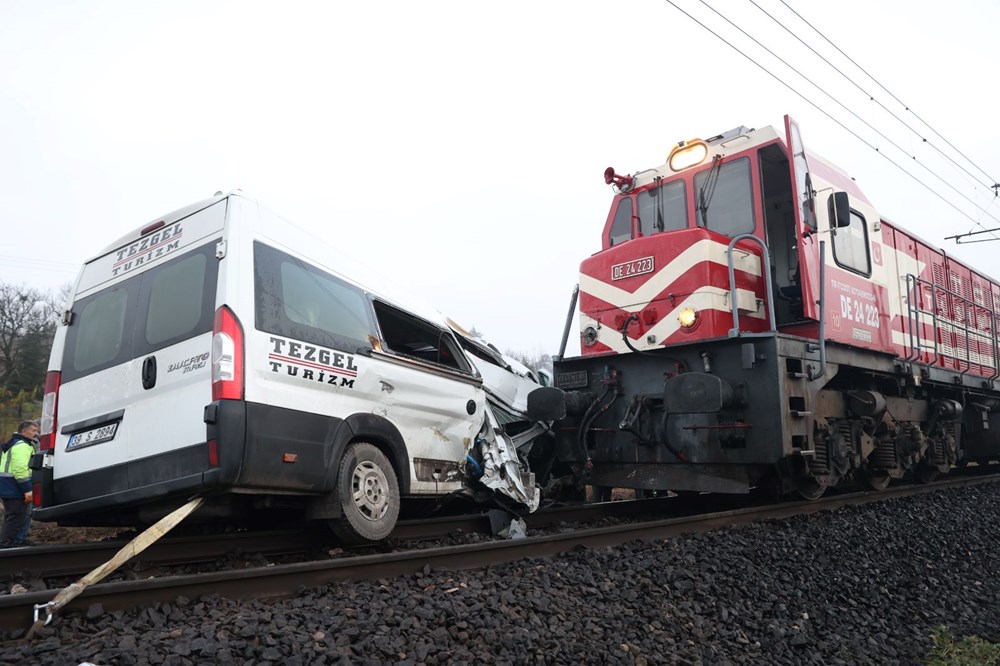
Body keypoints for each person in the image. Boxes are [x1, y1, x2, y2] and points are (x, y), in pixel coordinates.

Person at [1, 420, 39, 548]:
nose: (36, 433)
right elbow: (20, 470)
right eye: (33, 430)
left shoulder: (18, 444)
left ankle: (18, 540)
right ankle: (6, 544)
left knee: (22, 515)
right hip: (14, 488)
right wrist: (27, 489)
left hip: (10, 487)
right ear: (24, 431)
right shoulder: (21, 446)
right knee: (16, 516)